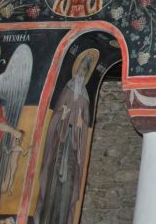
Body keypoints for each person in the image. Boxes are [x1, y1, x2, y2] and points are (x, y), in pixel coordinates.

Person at [34, 49, 98, 224]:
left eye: (85, 71)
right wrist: (62, 117)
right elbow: (55, 115)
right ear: (76, 71)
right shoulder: (67, 91)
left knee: (68, 185)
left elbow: (85, 123)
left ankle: (64, 219)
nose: (81, 74)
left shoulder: (85, 99)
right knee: (52, 182)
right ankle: (45, 217)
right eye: (80, 70)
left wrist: (80, 124)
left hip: (73, 148)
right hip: (59, 145)